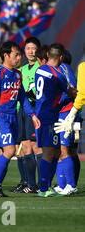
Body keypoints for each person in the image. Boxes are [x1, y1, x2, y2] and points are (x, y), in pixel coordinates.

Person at [0, 41, 39, 197]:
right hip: (1, 117)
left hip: (13, 117)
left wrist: (32, 115)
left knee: (9, 151)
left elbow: (22, 97)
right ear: (6, 55)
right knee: (10, 150)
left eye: (19, 54)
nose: (19, 57)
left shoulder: (17, 74)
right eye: (16, 54)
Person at [34, 43, 75, 197]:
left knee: (56, 151)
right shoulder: (58, 75)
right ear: (61, 57)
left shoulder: (41, 69)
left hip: (44, 114)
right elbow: (70, 92)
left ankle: (46, 186)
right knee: (49, 152)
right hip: (48, 116)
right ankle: (43, 188)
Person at [13, 37, 42, 194]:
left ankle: (41, 183)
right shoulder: (22, 70)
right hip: (20, 111)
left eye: (33, 48)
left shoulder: (41, 67)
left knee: (35, 146)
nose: (31, 51)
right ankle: (28, 183)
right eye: (28, 48)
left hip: (35, 111)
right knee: (23, 147)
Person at [53, 49, 80, 195]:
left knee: (65, 149)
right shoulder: (57, 69)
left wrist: (58, 101)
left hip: (67, 113)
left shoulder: (64, 68)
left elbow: (72, 90)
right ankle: (62, 184)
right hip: (61, 113)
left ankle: (70, 184)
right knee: (60, 150)